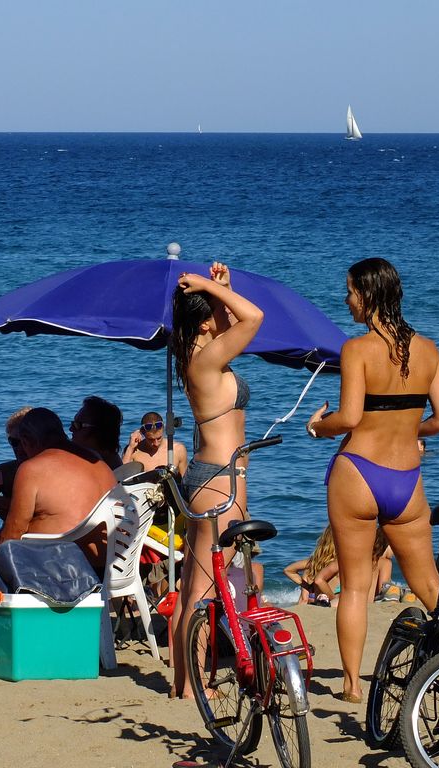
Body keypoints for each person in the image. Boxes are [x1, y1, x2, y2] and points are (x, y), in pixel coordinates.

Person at [305, 257, 439, 703]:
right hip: (406, 479)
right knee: (432, 583)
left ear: (369, 295)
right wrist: (407, 428)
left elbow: (352, 417)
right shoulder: (430, 350)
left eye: (351, 292)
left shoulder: (356, 350)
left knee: (355, 585)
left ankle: (353, 686)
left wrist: (320, 426)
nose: (346, 300)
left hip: (358, 471)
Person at [169, 261, 264, 699]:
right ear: (204, 321)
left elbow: (233, 328)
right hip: (222, 479)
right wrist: (210, 285)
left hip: (210, 475)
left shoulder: (196, 354)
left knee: (193, 583)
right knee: (207, 588)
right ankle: (192, 689)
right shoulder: (205, 358)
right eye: (211, 311)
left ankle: (181, 683)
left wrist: (221, 288)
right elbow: (255, 318)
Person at [0, 408, 117, 584]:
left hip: (63, 567)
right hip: (106, 562)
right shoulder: (97, 461)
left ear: (27, 441)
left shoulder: (32, 469)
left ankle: (1, 610)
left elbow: (12, 534)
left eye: (19, 443)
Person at [283, 525, 392, 606]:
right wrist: (332, 597)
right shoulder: (341, 562)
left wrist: (309, 587)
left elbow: (288, 570)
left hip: (319, 600)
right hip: (333, 601)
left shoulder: (315, 561)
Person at [122, 411, 188, 475]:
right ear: (143, 434)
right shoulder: (134, 451)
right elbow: (121, 476)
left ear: (163, 430)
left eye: (159, 438)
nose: (156, 443)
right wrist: (130, 448)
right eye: (151, 440)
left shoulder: (178, 450)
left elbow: (185, 481)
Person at [69, 395, 124, 470]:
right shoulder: (108, 459)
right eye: (73, 423)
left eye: (77, 425)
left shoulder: (99, 466)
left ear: (99, 431)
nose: (71, 429)